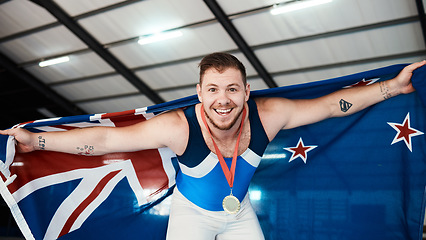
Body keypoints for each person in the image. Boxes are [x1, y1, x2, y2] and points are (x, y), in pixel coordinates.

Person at [1, 52, 425, 240]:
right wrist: (38, 140)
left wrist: (391, 87)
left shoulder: (270, 114)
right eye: (214, 89)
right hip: (193, 217)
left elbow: (333, 106)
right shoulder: (178, 127)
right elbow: (108, 138)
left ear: (245, 91)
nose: (223, 99)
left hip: (239, 215)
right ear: (200, 93)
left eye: (232, 89)